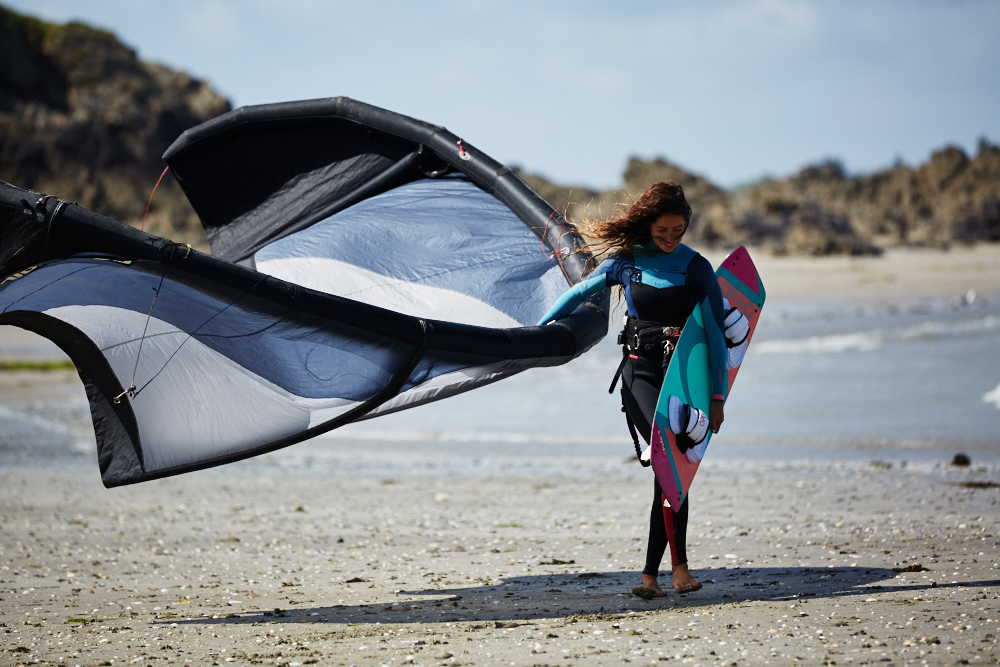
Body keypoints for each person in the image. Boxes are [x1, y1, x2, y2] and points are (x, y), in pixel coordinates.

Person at [538, 181, 730, 596]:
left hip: (682, 379)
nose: (670, 238)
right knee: (668, 461)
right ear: (648, 225)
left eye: (678, 230)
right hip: (640, 375)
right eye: (662, 230)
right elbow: (579, 293)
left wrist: (717, 397)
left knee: (672, 472)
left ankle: (653, 576)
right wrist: (538, 329)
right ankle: (675, 569)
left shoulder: (696, 267)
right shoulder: (626, 262)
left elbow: (717, 335)